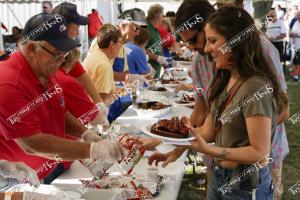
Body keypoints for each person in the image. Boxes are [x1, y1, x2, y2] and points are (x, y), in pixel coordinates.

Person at [152, 6, 287, 199]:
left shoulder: (255, 86)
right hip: (219, 176)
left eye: (212, 41)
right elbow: (207, 132)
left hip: (244, 186)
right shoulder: (226, 78)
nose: (206, 49)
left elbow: (260, 153)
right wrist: (172, 146)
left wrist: (210, 150)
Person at [0, 13, 125, 184]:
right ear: (31, 49)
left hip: (47, 170)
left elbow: (58, 111)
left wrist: (85, 133)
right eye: (57, 54)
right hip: (16, 180)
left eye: (64, 55)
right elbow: (32, 143)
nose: (61, 61)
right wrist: (92, 150)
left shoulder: (45, 70)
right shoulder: (8, 82)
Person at [52, 2, 109, 127]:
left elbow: (82, 75)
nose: (78, 33)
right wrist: (97, 116)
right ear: (66, 28)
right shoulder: (62, 78)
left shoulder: (68, 53)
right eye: (76, 27)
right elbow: (93, 117)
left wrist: (98, 102)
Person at [146, 4, 169, 78]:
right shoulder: (146, 29)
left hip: (155, 72)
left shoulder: (155, 29)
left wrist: (164, 65)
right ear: (158, 16)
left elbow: (157, 48)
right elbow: (140, 49)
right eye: (163, 15)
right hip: (147, 72)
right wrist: (157, 57)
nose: (163, 18)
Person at [289, 10, 300, 83]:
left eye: (298, 15)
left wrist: (297, 35)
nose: (297, 17)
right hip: (295, 46)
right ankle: (296, 76)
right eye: (297, 15)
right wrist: (291, 34)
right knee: (296, 62)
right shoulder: (296, 22)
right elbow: (290, 33)